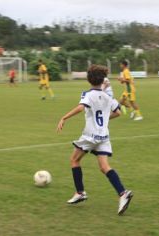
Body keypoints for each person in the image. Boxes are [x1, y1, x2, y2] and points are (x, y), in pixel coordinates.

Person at [57, 64, 133, 216]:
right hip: (103, 136)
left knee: (74, 160)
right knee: (104, 167)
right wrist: (105, 118)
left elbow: (80, 108)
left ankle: (80, 192)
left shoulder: (88, 94)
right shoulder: (107, 96)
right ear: (102, 79)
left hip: (90, 136)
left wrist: (64, 117)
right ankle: (123, 193)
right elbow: (118, 112)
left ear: (89, 79)